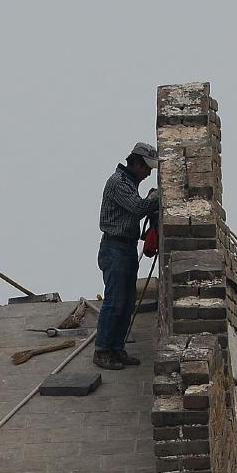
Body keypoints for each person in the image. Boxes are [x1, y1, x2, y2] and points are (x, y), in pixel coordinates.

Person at [94, 141, 160, 370]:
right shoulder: (118, 183)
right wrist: (156, 198)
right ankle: (102, 350)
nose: (149, 173)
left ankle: (116, 348)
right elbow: (139, 208)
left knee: (127, 302)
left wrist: (151, 199)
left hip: (126, 247)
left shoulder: (129, 183)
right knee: (114, 302)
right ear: (136, 163)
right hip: (115, 248)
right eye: (147, 168)